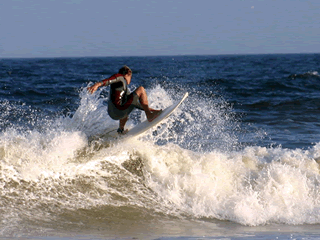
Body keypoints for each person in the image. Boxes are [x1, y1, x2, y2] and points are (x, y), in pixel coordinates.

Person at [88, 65, 162, 134]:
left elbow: (135, 103)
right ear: (127, 74)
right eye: (131, 77)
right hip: (119, 110)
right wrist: (97, 84)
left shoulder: (123, 89)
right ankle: (149, 115)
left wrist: (152, 110)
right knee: (141, 89)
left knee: (126, 104)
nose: (130, 80)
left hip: (113, 113)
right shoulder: (120, 77)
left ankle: (121, 130)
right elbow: (109, 80)